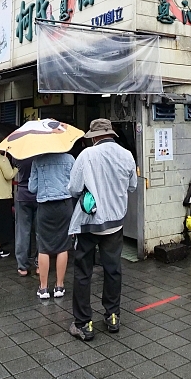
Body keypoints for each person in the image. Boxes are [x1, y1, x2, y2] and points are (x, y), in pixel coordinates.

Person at [67, 119, 137, 341]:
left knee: (83, 272)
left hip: (89, 222)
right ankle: (112, 315)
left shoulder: (86, 155)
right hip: (115, 222)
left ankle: (83, 323)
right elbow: (132, 185)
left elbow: (74, 188)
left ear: (94, 137)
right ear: (111, 134)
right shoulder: (126, 155)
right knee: (113, 269)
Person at [29, 151, 74, 300]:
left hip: (45, 206)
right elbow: (75, 184)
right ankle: (59, 286)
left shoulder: (37, 161)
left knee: (43, 246)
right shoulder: (69, 159)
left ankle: (43, 288)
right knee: (63, 245)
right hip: (65, 205)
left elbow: (32, 188)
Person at [13, 157, 37, 277]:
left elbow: (14, 165)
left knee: (22, 231)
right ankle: (39, 263)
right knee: (40, 231)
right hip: (39, 195)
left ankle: (22, 265)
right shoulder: (41, 154)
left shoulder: (18, 155)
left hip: (22, 195)